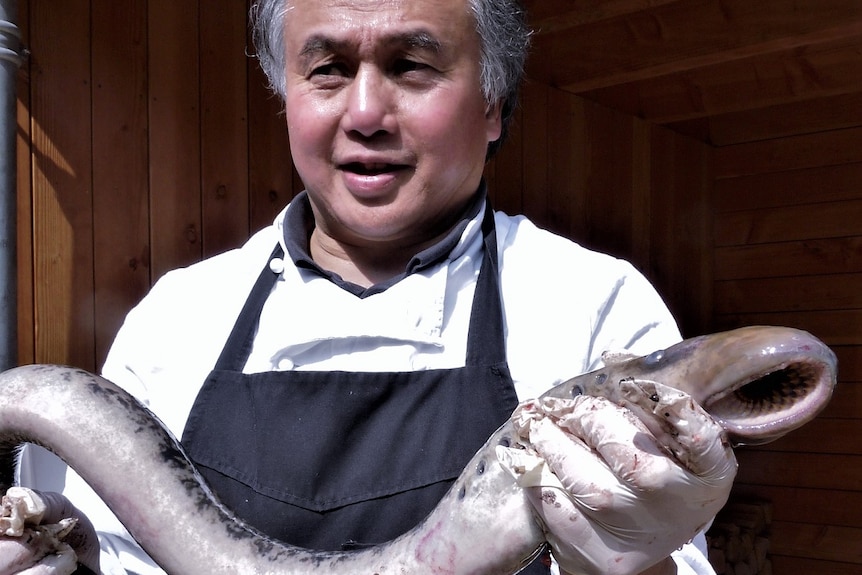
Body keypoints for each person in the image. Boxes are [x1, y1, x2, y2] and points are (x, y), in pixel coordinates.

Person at [3, 0, 734, 573]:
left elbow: (677, 562)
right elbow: (110, 553)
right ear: (286, 95)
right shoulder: (176, 319)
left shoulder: (593, 307)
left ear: (492, 103)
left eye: (412, 64)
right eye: (326, 69)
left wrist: (636, 567)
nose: (363, 114)